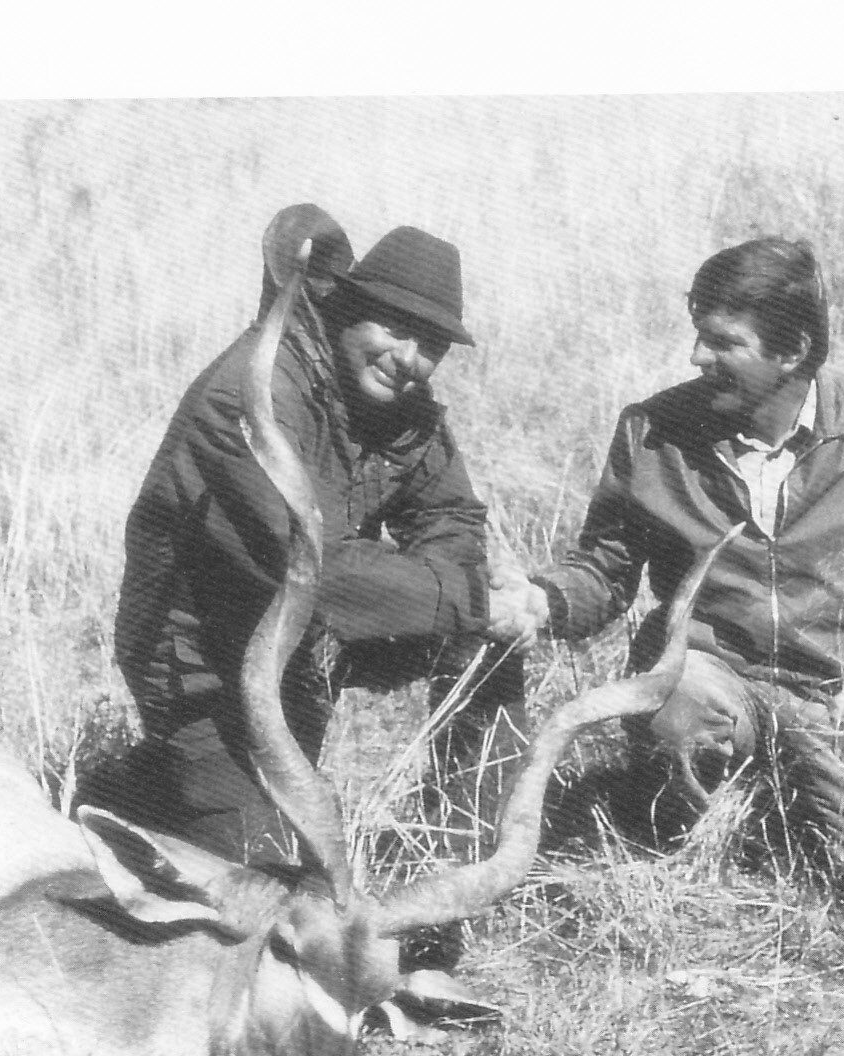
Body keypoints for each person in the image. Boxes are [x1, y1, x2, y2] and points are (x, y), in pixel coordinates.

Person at [491, 237, 844, 916]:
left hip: (832, 695)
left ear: (794, 351)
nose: (697, 358)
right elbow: (605, 569)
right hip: (706, 671)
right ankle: (687, 842)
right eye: (698, 336)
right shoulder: (652, 432)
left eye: (724, 343)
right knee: (679, 702)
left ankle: (779, 821)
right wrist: (543, 602)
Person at [97, 205, 539, 873]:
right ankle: (144, 788)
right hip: (199, 667)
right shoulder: (250, 395)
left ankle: (452, 866)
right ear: (345, 309)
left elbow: (452, 516)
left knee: (486, 642)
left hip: (302, 648)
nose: (410, 359)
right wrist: (469, 598)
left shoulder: (400, 402)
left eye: (431, 344)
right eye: (394, 328)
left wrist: (469, 600)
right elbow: (309, 565)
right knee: (271, 873)